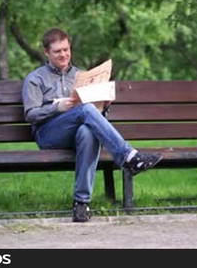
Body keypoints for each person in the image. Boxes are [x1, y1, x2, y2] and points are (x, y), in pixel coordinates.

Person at [22, 28, 163, 222]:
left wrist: (103, 105)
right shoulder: (35, 79)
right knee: (85, 110)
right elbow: (30, 114)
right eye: (57, 51)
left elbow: (93, 114)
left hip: (78, 131)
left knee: (88, 131)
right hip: (49, 134)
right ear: (47, 53)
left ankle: (81, 204)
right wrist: (58, 108)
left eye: (66, 49)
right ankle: (129, 157)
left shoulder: (81, 75)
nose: (63, 54)